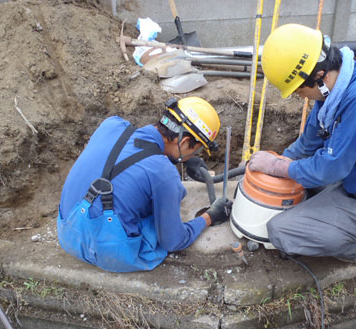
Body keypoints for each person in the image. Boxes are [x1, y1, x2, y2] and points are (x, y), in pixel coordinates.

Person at [249, 24, 356, 262]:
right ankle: (337, 220)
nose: (301, 97)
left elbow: (330, 168)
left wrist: (278, 167)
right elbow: (307, 145)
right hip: (353, 181)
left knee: (281, 231)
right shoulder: (333, 90)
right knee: (300, 187)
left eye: (299, 92)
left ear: (319, 76)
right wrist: (276, 164)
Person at [57, 97, 232, 272]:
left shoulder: (111, 125)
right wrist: (209, 217)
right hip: (108, 253)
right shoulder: (162, 173)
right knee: (160, 221)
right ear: (184, 142)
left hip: (66, 231)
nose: (193, 155)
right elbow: (174, 241)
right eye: (195, 150)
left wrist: (180, 161)